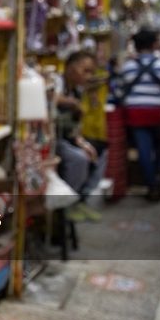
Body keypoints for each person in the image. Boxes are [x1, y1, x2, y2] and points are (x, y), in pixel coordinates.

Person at [53, 50, 108, 220]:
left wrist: (83, 142)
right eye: (85, 71)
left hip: (68, 137)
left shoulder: (78, 90)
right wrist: (72, 102)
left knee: (100, 153)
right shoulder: (57, 81)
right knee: (78, 159)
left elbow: (75, 128)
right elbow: (50, 96)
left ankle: (80, 200)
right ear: (70, 68)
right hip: (53, 139)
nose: (88, 76)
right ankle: (67, 203)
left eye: (91, 72)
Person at [116, 28, 160, 201]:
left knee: (143, 150)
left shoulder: (127, 67)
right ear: (155, 44)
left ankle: (152, 186)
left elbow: (118, 91)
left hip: (135, 114)